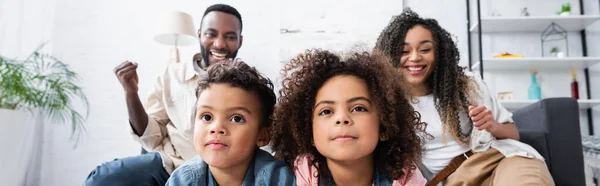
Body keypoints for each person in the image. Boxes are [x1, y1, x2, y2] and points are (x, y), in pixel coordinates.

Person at [374, 9, 554, 186]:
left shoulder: (466, 85)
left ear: (439, 53)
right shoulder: (387, 103)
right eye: (404, 51)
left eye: (425, 49)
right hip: (454, 180)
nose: (414, 58)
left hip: (500, 161)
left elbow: (513, 134)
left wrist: (492, 125)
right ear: (389, 55)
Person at [84, 4, 244, 186]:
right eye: (211, 34)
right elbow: (151, 138)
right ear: (199, 35)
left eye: (230, 37)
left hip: (221, 174)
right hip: (171, 165)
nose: (219, 44)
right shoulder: (172, 76)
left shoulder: (249, 86)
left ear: (240, 41)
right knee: (104, 177)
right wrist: (131, 93)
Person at [270, 49, 428, 186]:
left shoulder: (404, 176)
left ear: (384, 126)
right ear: (309, 133)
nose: (342, 119)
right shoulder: (301, 173)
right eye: (326, 111)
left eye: (358, 108)